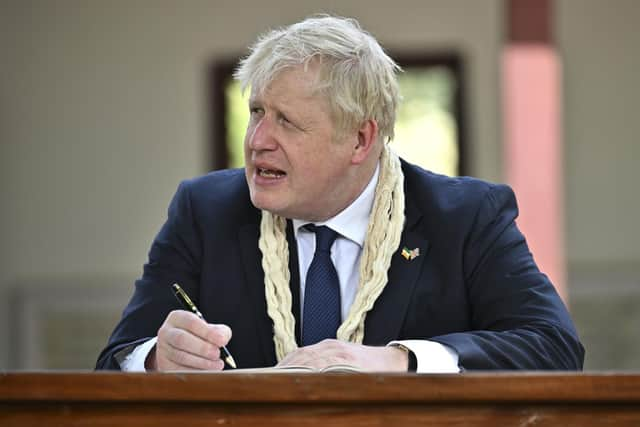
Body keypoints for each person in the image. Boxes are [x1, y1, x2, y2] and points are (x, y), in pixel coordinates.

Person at [96, 15, 584, 372]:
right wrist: (157, 358)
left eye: (286, 121)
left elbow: (554, 348)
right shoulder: (205, 211)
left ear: (360, 140)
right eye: (257, 112)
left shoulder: (465, 217)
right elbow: (115, 361)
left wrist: (399, 361)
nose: (257, 140)